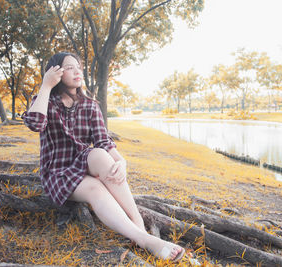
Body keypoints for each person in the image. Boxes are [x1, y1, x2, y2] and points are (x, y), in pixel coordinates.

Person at [22, 52, 185, 262]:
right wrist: (45, 86)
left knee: (99, 154)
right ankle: (145, 240)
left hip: (83, 163)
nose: (77, 71)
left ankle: (138, 223)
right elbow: (35, 124)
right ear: (56, 72)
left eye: (78, 66)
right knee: (95, 188)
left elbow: (103, 142)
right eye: (69, 67)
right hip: (57, 173)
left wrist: (121, 161)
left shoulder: (90, 105)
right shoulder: (45, 101)